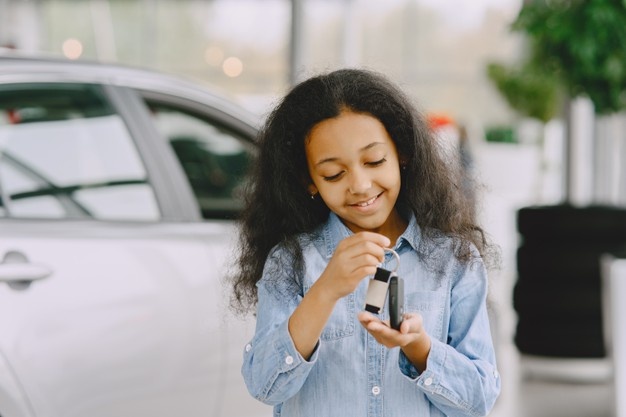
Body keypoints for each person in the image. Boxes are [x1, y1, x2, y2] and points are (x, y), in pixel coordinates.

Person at [229, 68, 500, 417]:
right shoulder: (291, 261)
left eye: (374, 161)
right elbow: (265, 384)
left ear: (402, 153)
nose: (359, 184)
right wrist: (325, 290)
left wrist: (418, 347)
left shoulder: (454, 260)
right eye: (333, 173)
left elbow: (479, 400)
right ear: (309, 180)